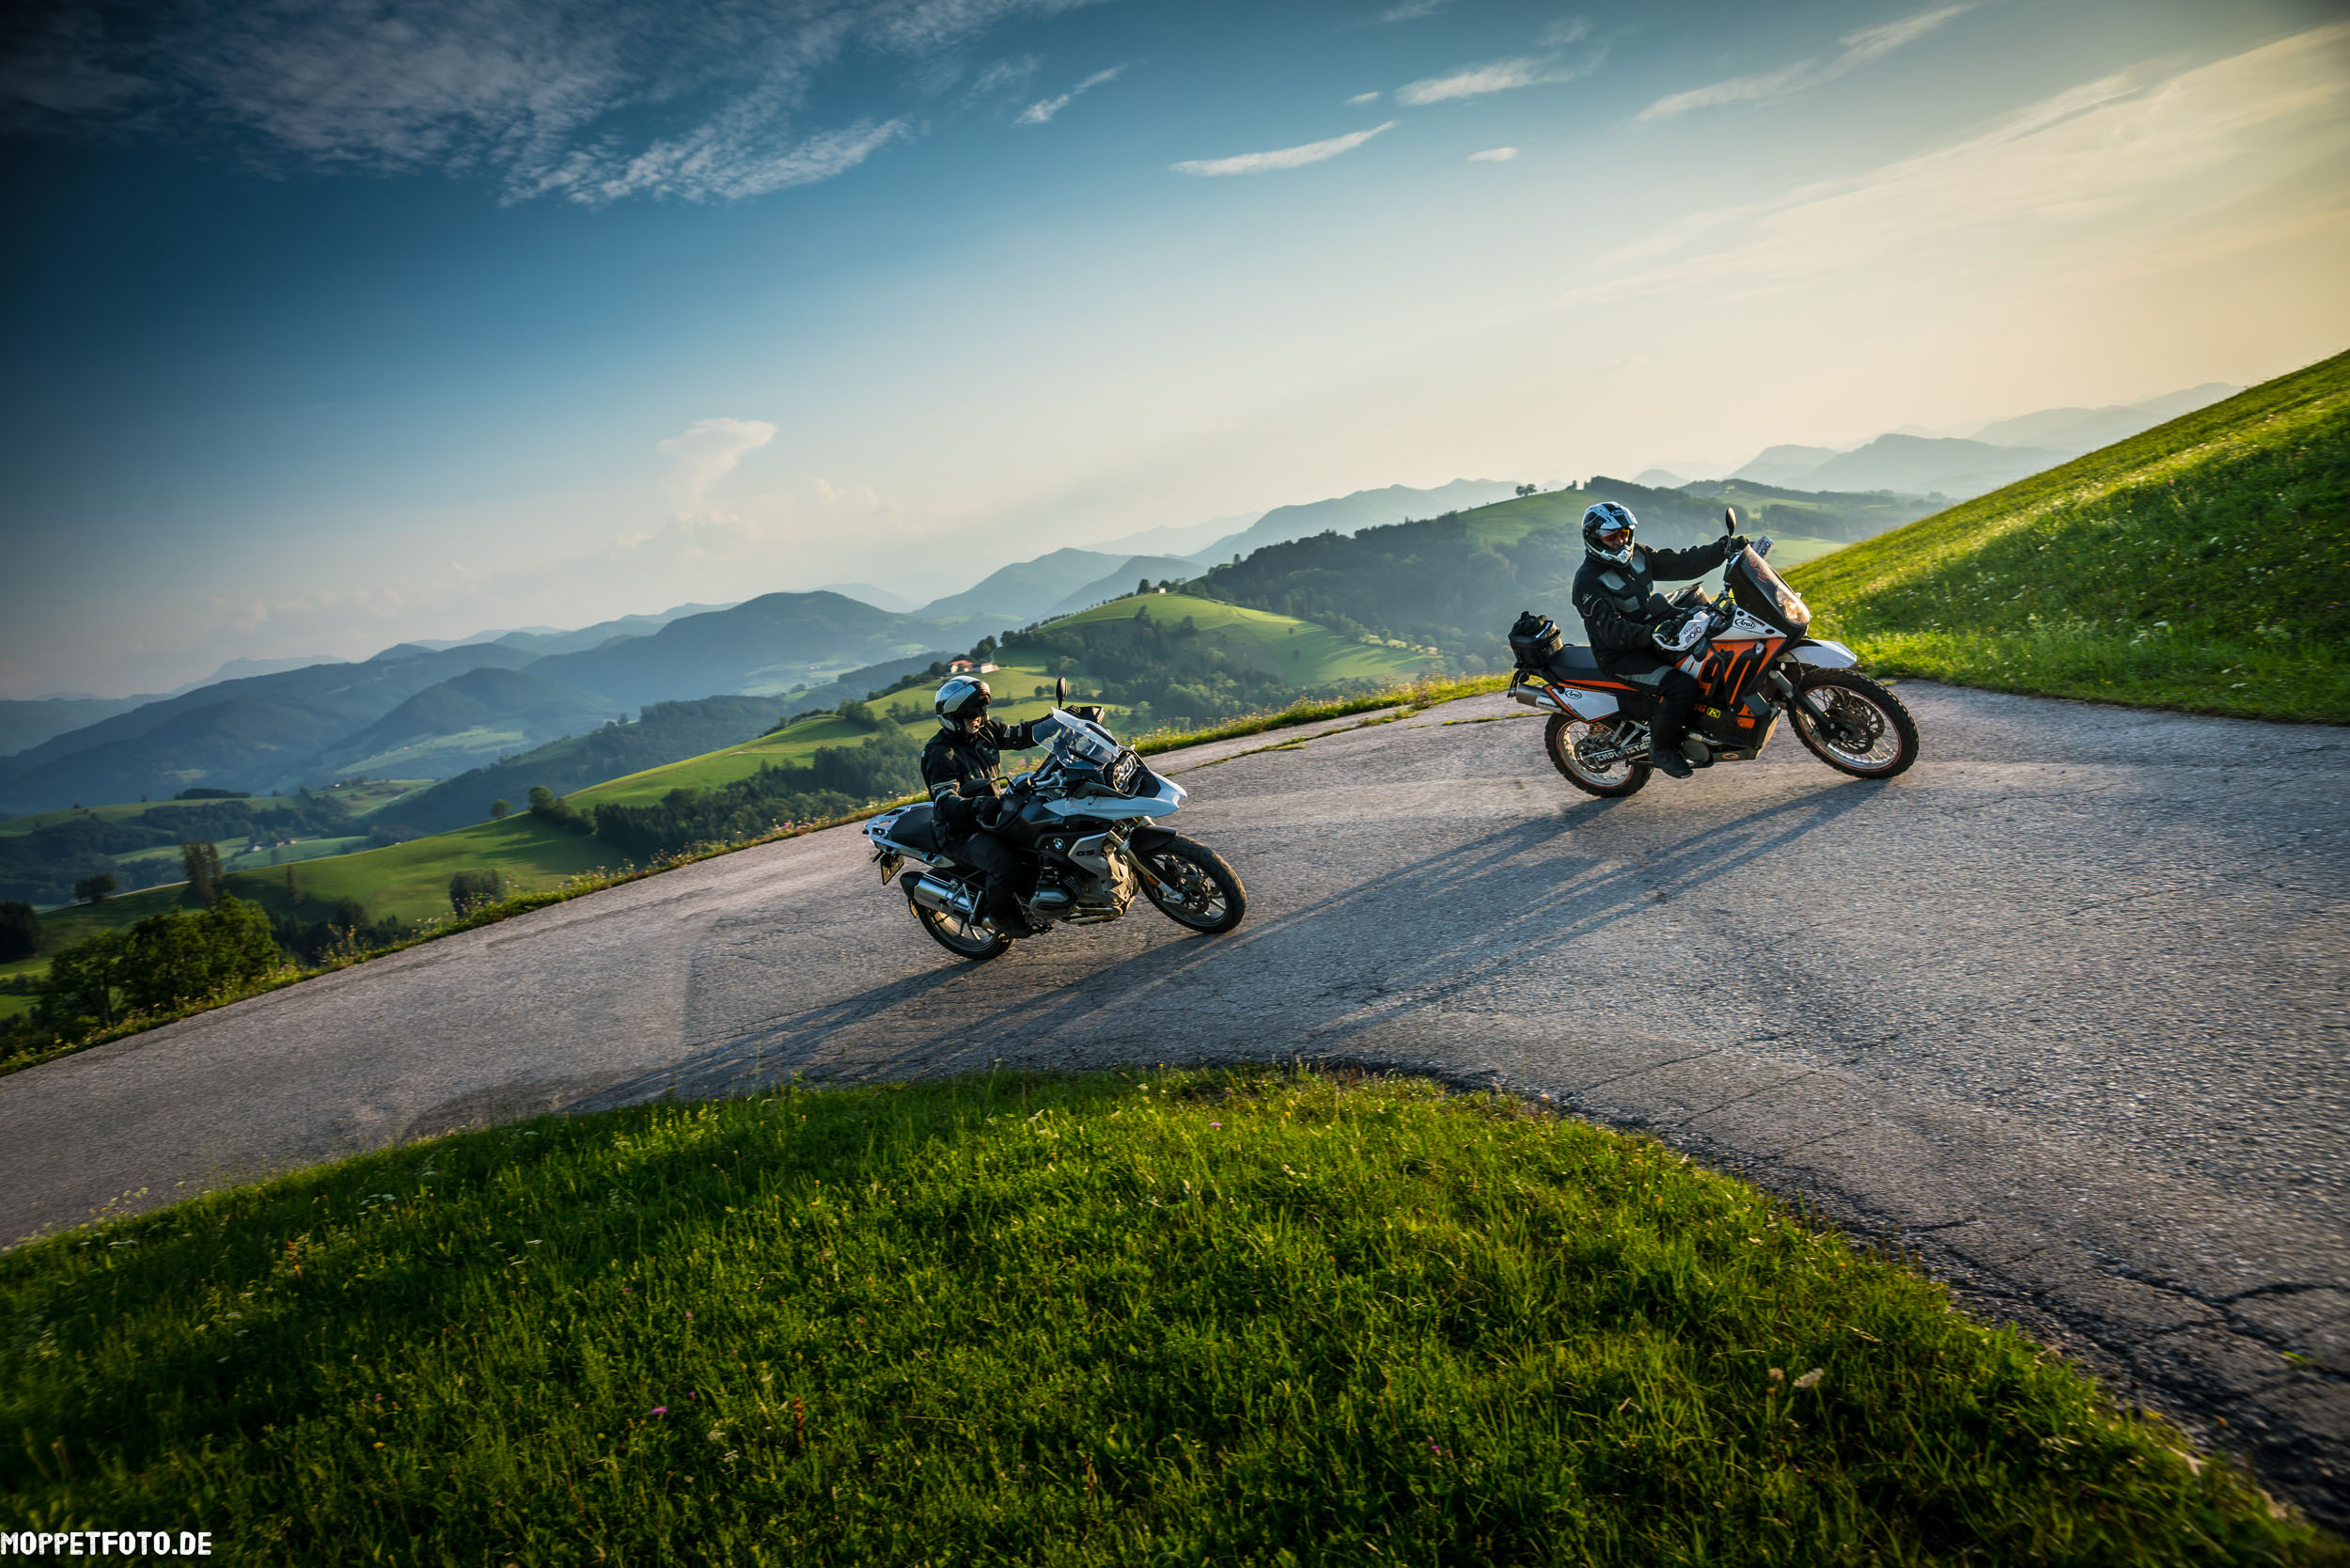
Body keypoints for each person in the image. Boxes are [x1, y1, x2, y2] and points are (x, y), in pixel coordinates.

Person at [1570, 502, 1743, 779]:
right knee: (1681, 685)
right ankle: (1662, 748)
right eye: (1611, 536)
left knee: (1711, 651)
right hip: (1621, 656)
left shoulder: (1638, 555)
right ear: (1593, 538)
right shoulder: (1588, 582)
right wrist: (1653, 634)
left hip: (1654, 636)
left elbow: (1682, 563)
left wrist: (1722, 549)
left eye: (1625, 533)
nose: (1621, 541)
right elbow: (1611, 631)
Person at [921, 674, 1045, 933]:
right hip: (961, 831)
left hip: (993, 816)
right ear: (953, 716)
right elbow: (945, 802)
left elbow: (1024, 734)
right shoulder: (940, 753)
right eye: (970, 710)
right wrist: (976, 804)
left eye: (980, 707)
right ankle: (1002, 916)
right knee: (1004, 863)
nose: (977, 714)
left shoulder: (986, 731)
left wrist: (1061, 721)